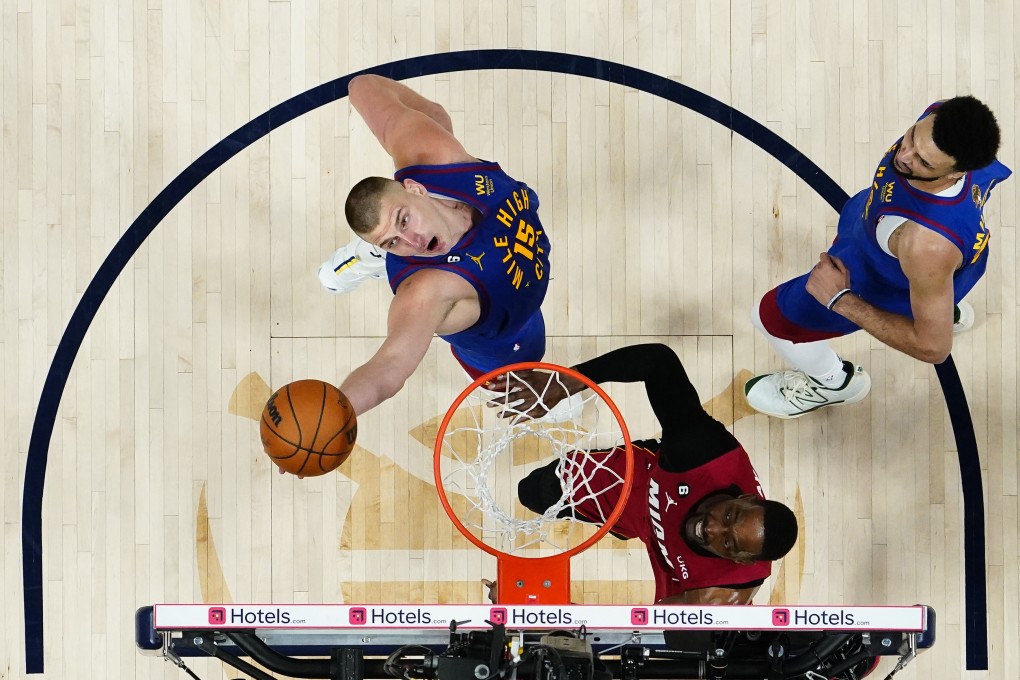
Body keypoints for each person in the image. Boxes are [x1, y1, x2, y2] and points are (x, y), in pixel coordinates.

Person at [744, 96, 1010, 419]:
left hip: (886, 277)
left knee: (770, 318)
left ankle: (834, 383)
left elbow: (934, 348)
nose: (905, 155)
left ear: (957, 174)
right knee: (931, 290)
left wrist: (839, 298)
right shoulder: (940, 120)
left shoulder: (925, 245)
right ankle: (940, 308)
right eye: (911, 137)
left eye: (924, 163)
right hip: (897, 252)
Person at [490, 343, 798, 605]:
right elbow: (657, 362)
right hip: (647, 480)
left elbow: (635, 630)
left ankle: (629, 525)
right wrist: (564, 383)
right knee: (535, 490)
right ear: (745, 498)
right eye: (729, 516)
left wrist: (536, 606)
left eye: (728, 543)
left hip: (666, 556)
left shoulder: (716, 595)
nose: (711, 529)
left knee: (533, 495)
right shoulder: (702, 452)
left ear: (741, 560)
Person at [318, 75, 553, 417]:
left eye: (403, 220)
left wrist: (430, 113)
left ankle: (373, 251)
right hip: (501, 343)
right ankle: (371, 255)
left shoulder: (433, 154)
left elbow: (362, 88)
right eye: (392, 242)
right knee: (522, 375)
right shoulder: (427, 291)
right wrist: (334, 414)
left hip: (514, 295)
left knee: (437, 118)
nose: (411, 241)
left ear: (415, 188)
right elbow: (391, 366)